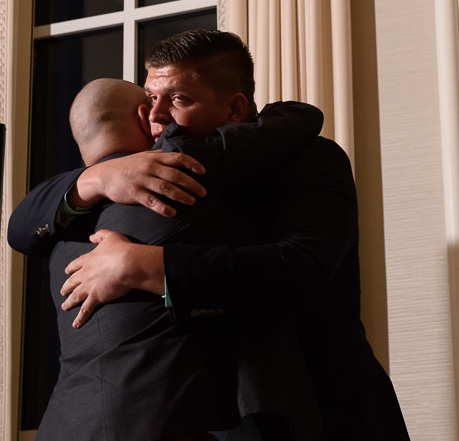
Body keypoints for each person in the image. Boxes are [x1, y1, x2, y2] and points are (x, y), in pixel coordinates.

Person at [9, 29, 410, 440]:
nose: (156, 115)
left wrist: (144, 265)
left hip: (321, 411)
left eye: (178, 99)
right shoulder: (130, 177)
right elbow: (23, 229)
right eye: (150, 100)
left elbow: (300, 270)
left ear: (236, 107)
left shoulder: (309, 158)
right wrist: (94, 179)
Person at [36, 78, 325, 440]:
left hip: (68, 425)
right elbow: (286, 130)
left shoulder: (61, 233)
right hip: (163, 425)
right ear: (146, 116)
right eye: (156, 102)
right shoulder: (184, 178)